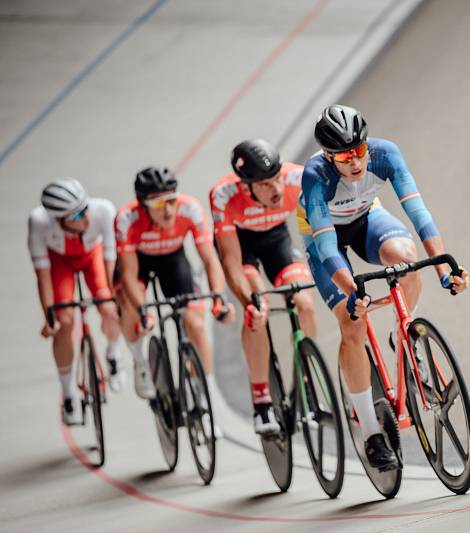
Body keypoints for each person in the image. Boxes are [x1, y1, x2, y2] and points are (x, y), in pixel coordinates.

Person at [300, 105, 468, 471]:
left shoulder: (385, 153)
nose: (356, 161)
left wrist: (442, 265)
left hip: (365, 218)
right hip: (323, 236)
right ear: (329, 157)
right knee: (352, 322)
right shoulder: (316, 175)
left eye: (359, 150)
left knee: (406, 259)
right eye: (345, 156)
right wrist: (353, 293)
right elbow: (328, 248)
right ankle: (371, 432)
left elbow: (418, 213)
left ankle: (403, 334)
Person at [210, 139, 317, 436]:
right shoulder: (223, 195)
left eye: (277, 180)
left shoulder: (297, 178)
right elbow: (231, 262)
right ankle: (261, 400)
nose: (277, 190)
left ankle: (305, 380)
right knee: (259, 308)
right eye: (266, 185)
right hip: (241, 246)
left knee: (305, 304)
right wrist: (248, 300)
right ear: (246, 187)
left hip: (276, 241)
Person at [115, 166, 234, 402]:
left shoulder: (190, 209)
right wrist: (142, 311)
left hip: (173, 262)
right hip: (139, 264)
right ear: (143, 206)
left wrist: (219, 297)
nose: (168, 210)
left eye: (171, 200)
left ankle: (205, 396)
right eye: (159, 205)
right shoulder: (126, 218)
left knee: (196, 324)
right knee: (129, 307)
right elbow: (128, 275)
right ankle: (140, 361)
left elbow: (210, 259)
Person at [28, 178, 124, 425]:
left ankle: (113, 354)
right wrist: (50, 317)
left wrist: (110, 298)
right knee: (65, 321)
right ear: (59, 220)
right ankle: (68, 392)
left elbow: (110, 259)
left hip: (93, 258)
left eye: (85, 208)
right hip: (60, 263)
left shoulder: (102, 209)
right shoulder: (39, 223)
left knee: (109, 308)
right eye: (78, 214)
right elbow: (43, 275)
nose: (86, 216)